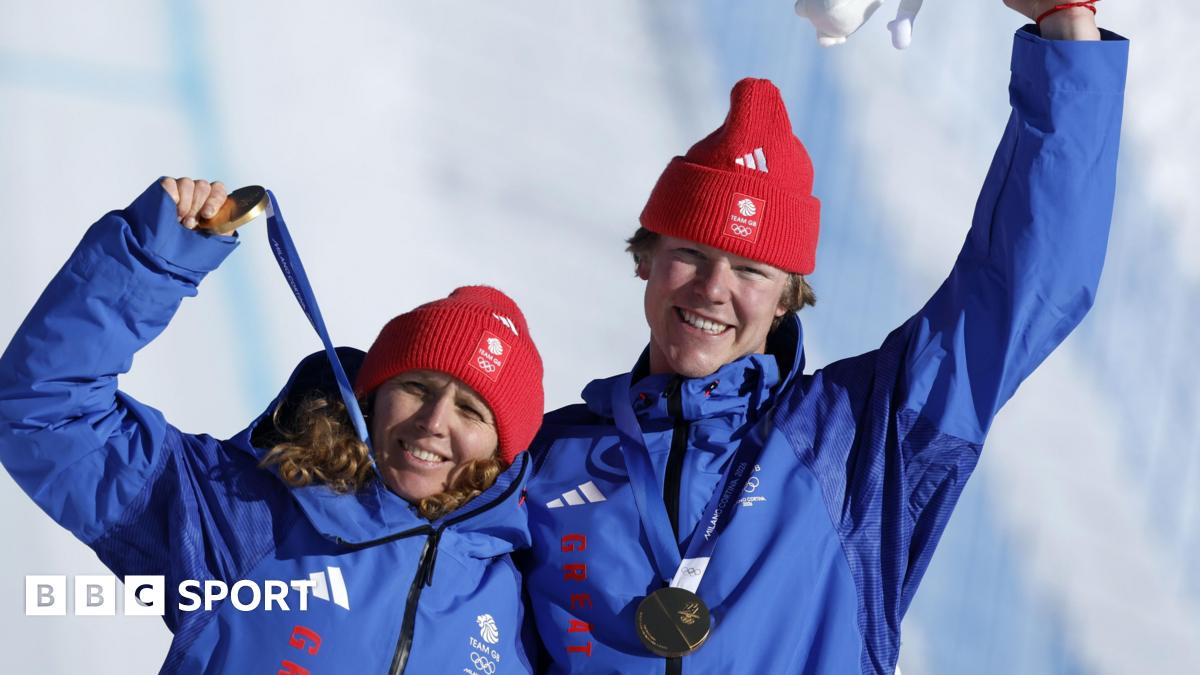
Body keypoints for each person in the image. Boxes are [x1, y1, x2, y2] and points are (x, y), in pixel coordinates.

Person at [518, 1, 1126, 672]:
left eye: (751, 268)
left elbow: (1025, 284)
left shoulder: (858, 441)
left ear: (786, 297)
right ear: (647, 257)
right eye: (692, 252)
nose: (713, 287)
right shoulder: (546, 459)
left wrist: (1066, 25)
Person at [0, 177, 544, 674]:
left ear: (505, 448)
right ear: (372, 396)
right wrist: (153, 258)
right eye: (417, 388)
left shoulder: (525, 592)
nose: (433, 422)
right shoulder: (243, 515)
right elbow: (45, 413)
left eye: (470, 410)